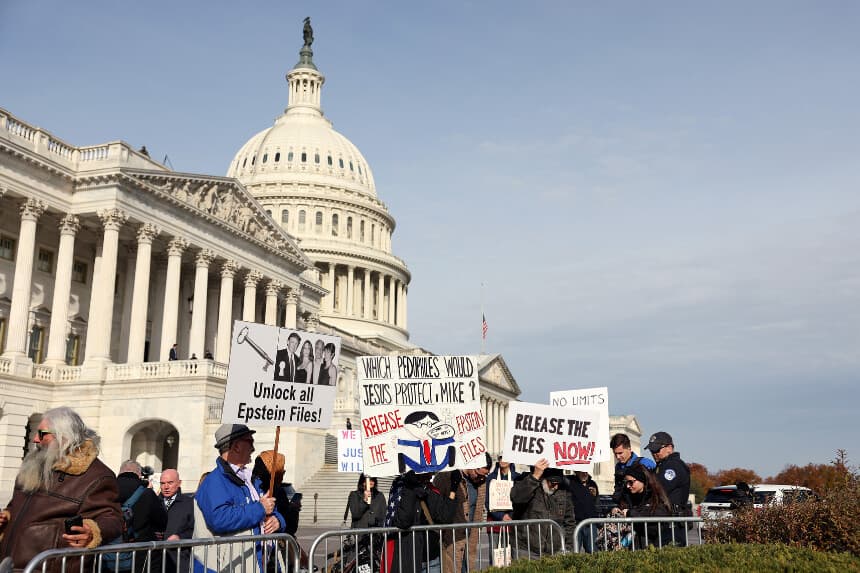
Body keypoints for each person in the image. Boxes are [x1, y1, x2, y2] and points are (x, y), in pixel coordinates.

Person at [0, 407, 123, 573]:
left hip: (50, 567)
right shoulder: (34, 465)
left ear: (64, 436)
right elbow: (15, 505)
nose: (36, 439)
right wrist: (6, 516)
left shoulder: (97, 476)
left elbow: (112, 519)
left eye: (42, 434)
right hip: (10, 565)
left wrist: (92, 531)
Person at [194, 424, 285, 572]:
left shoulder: (252, 479)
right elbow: (219, 518)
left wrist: (278, 521)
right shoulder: (214, 481)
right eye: (250, 442)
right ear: (236, 446)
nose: (253, 448)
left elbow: (270, 509)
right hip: (225, 567)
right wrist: (260, 508)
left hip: (257, 564)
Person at [384, 471, 458, 573]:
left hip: (433, 559)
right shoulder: (400, 485)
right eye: (429, 472)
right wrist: (410, 489)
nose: (432, 475)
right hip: (410, 559)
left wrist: (453, 488)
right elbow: (404, 521)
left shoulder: (429, 488)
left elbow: (445, 517)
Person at [509, 459, 575, 557]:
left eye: (558, 483)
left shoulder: (563, 491)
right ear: (543, 479)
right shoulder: (527, 481)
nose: (556, 487)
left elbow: (569, 521)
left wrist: (568, 547)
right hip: (526, 549)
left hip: (554, 551)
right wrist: (534, 477)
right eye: (552, 483)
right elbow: (516, 497)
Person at [646, 431, 691, 546]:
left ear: (669, 448)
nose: (654, 453)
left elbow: (659, 489)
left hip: (672, 524)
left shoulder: (673, 466)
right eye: (652, 450)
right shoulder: (661, 466)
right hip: (665, 522)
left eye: (657, 450)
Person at [618, 463, 673, 547]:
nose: (628, 486)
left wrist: (630, 513)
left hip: (652, 546)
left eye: (631, 482)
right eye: (626, 482)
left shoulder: (656, 497)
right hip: (632, 546)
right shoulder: (627, 495)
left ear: (642, 480)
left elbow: (655, 521)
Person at [159, 469, 194, 573]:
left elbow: (195, 529)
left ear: (179, 483)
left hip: (179, 560)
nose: (166, 487)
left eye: (170, 483)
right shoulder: (154, 502)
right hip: (157, 560)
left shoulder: (189, 503)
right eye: (162, 483)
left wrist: (180, 537)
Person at [610, 433, 655, 508]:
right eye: (615, 454)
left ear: (629, 449)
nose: (618, 457)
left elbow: (656, 489)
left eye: (620, 453)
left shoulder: (645, 463)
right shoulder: (618, 467)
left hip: (643, 509)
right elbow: (618, 491)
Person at [570, 470, 599, 553]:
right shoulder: (571, 483)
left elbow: (596, 503)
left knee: (592, 550)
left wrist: (595, 496)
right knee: (575, 550)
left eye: (586, 471)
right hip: (576, 522)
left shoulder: (592, 483)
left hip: (590, 522)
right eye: (581, 471)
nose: (584, 474)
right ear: (576, 472)